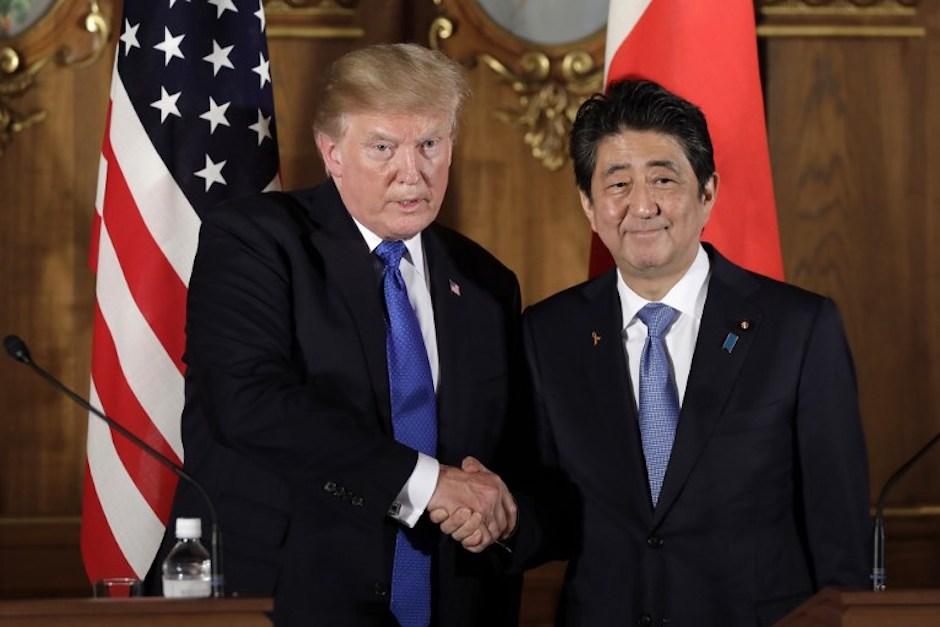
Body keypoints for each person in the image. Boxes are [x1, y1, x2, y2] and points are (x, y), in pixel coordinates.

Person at [147, 43, 524, 626]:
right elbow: (249, 403)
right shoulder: (255, 241)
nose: (412, 171)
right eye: (382, 147)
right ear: (332, 154)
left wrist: (493, 511)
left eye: (430, 144)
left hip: (449, 604)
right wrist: (427, 485)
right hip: (284, 602)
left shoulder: (486, 282)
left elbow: (510, 451)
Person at [510, 79, 870, 626]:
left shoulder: (798, 329)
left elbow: (839, 532)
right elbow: (546, 513)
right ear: (589, 205)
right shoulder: (547, 333)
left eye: (663, 178)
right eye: (618, 183)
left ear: (707, 192)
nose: (642, 205)